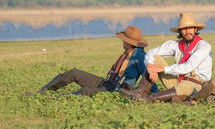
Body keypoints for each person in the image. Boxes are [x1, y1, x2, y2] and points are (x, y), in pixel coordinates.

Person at [25, 26, 158, 96]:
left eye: (124, 39)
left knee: (86, 91)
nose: (122, 40)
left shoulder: (139, 56)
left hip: (117, 89)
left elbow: (149, 75)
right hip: (106, 82)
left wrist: (155, 94)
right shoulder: (127, 52)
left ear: (128, 41)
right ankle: (43, 92)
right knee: (74, 72)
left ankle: (59, 98)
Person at [119, 12, 212, 102]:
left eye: (190, 28)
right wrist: (151, 68)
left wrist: (161, 69)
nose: (187, 32)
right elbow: (151, 52)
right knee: (154, 58)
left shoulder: (204, 46)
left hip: (196, 84)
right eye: (184, 29)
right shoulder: (176, 45)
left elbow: (188, 67)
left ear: (195, 29)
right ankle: (140, 91)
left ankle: (148, 98)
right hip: (179, 80)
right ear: (180, 31)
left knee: (184, 87)